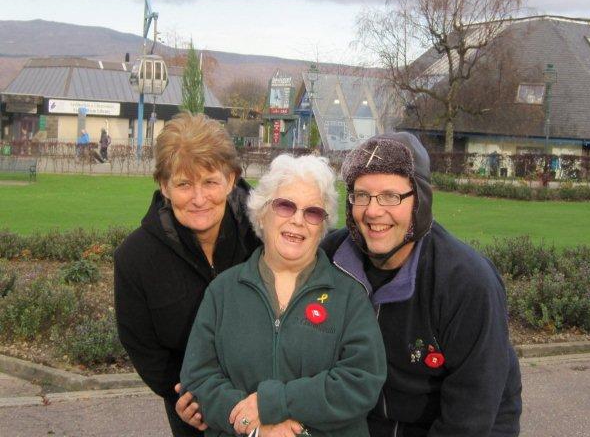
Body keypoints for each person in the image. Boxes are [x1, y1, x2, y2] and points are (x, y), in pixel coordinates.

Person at [321, 133, 522, 436]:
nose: (373, 211)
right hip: (365, 423)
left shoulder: (466, 283)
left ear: (421, 200)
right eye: (362, 195)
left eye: (390, 196)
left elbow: (471, 413)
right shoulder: (330, 258)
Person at [179, 154, 386, 437]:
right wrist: (253, 425)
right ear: (262, 213)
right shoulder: (223, 291)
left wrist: (274, 404)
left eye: (312, 212)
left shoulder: (349, 296)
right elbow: (198, 378)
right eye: (286, 206)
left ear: (322, 226)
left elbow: (362, 381)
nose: (298, 220)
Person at [114, 112, 261, 437]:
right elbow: (142, 343)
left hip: (266, 403)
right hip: (193, 411)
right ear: (164, 185)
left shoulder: (263, 236)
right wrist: (181, 392)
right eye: (183, 184)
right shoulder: (135, 258)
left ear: (232, 179)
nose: (198, 199)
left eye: (210, 182)